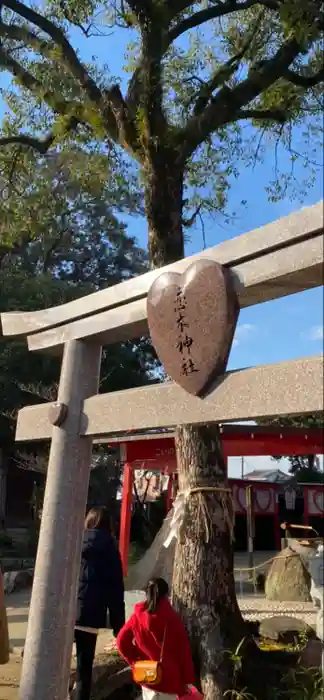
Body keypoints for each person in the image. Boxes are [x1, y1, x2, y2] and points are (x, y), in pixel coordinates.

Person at [74, 506, 125, 700]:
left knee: (55, 664)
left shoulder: (75, 541)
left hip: (66, 612)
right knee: (83, 670)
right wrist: (119, 627)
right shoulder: (110, 550)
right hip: (90, 615)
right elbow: (115, 590)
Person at [116, 577, 196, 700]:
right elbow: (183, 652)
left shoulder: (137, 616)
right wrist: (188, 680)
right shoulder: (172, 618)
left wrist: (135, 659)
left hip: (147, 675)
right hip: (169, 679)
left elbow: (121, 641)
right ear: (166, 594)